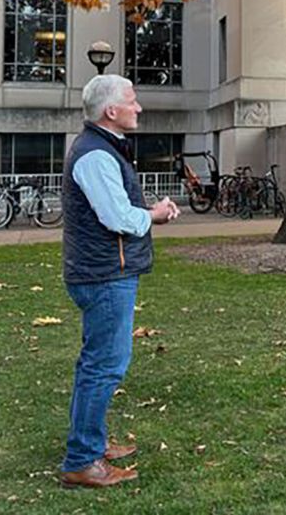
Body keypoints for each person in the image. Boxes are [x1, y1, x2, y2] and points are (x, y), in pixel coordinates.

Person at [59, 74, 181, 488]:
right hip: (104, 275)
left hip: (105, 271)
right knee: (104, 367)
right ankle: (82, 460)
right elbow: (116, 218)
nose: (139, 107)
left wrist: (145, 209)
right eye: (132, 101)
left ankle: (90, 442)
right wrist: (155, 215)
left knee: (95, 364)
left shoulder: (102, 149)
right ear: (111, 111)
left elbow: (113, 208)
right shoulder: (95, 154)